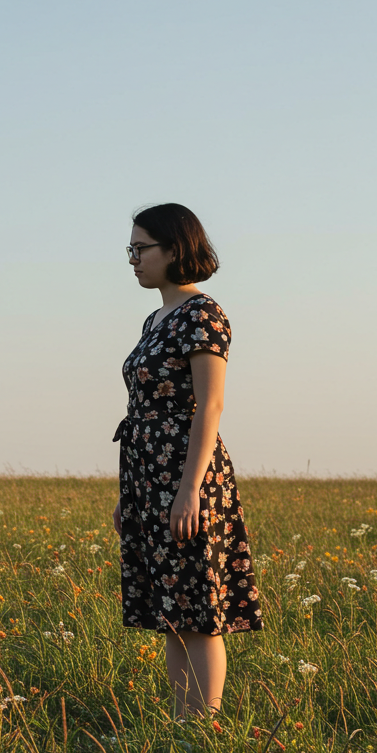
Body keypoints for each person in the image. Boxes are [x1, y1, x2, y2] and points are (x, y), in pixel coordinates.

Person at [113, 203, 261, 719]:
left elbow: (210, 405)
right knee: (172, 613)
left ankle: (204, 729)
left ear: (175, 249)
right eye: (130, 249)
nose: (133, 259)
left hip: (187, 472)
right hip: (149, 475)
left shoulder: (203, 313)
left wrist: (189, 489)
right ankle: (183, 724)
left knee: (199, 608)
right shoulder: (155, 318)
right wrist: (128, 495)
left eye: (141, 248)